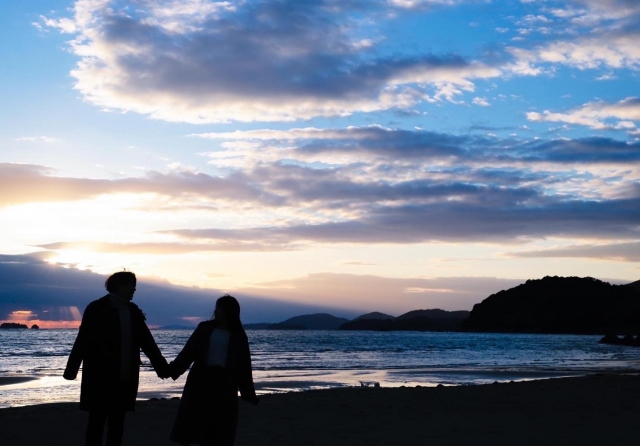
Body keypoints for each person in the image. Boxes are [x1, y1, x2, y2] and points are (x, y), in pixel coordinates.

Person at [63, 271, 169, 446]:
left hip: (125, 377)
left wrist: (162, 368)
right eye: (130, 285)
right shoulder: (96, 308)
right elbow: (83, 340)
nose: (134, 289)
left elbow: (147, 342)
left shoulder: (133, 310)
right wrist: (71, 370)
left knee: (117, 424)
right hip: (100, 377)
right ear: (119, 286)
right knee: (96, 423)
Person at [169, 294, 259, 446]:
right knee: (196, 421)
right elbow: (189, 352)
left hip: (225, 382)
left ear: (229, 310)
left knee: (219, 425)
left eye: (220, 308)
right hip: (200, 379)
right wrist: (172, 370)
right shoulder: (205, 328)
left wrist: (248, 393)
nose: (216, 311)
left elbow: (243, 366)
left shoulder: (238, 335)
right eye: (216, 307)